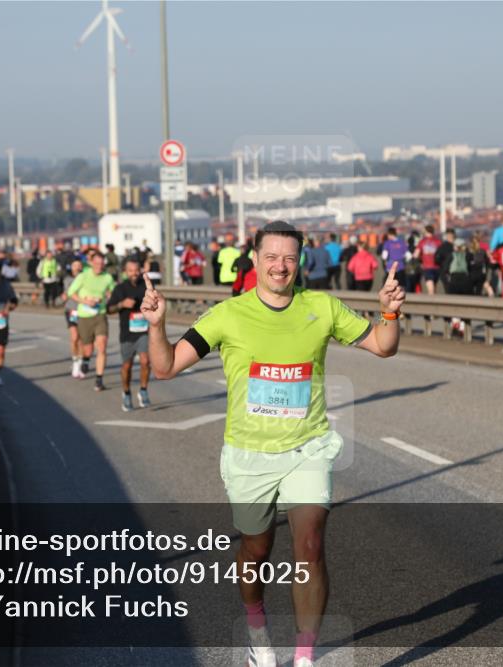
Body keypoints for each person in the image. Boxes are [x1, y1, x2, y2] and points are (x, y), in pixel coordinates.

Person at [141, 219, 405, 667]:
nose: (280, 267)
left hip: (308, 448)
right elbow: (165, 368)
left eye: (288, 257)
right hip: (249, 455)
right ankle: (257, 629)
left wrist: (390, 313)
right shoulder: (228, 315)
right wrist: (157, 324)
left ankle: (304, 657)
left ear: (299, 261)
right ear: (255, 260)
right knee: (256, 550)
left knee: (309, 545)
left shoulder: (321, 306)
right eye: (271, 257)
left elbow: (383, 346)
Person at [67, 250, 116, 391]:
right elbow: (71, 293)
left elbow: (113, 293)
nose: (99, 266)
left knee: (101, 346)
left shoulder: (107, 277)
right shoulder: (83, 276)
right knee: (87, 348)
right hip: (84, 316)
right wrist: (85, 301)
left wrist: (107, 297)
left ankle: (99, 379)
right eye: (97, 263)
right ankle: (86, 359)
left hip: (100, 315)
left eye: (102, 264)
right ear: (91, 263)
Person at [107, 258, 152, 411]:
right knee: (127, 366)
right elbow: (109, 309)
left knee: (145, 361)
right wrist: (121, 304)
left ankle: (143, 390)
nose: (134, 273)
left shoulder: (146, 286)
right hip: (127, 333)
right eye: (131, 270)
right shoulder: (120, 289)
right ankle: (126, 393)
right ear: (125, 272)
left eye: (136, 270)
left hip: (143, 331)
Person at [62, 259, 85, 378]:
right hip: (71, 310)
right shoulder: (67, 279)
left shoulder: (86, 278)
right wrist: (64, 296)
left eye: (79, 265)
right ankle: (75, 362)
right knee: (74, 337)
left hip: (83, 311)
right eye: (74, 265)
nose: (76, 267)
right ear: (71, 267)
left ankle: (79, 363)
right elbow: (67, 293)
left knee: (81, 339)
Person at [415, 224, 442, 295]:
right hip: (437, 267)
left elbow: (415, 255)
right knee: (434, 288)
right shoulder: (438, 241)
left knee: (431, 290)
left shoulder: (422, 242)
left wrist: (420, 260)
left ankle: (432, 304)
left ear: (426, 231)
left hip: (427, 267)